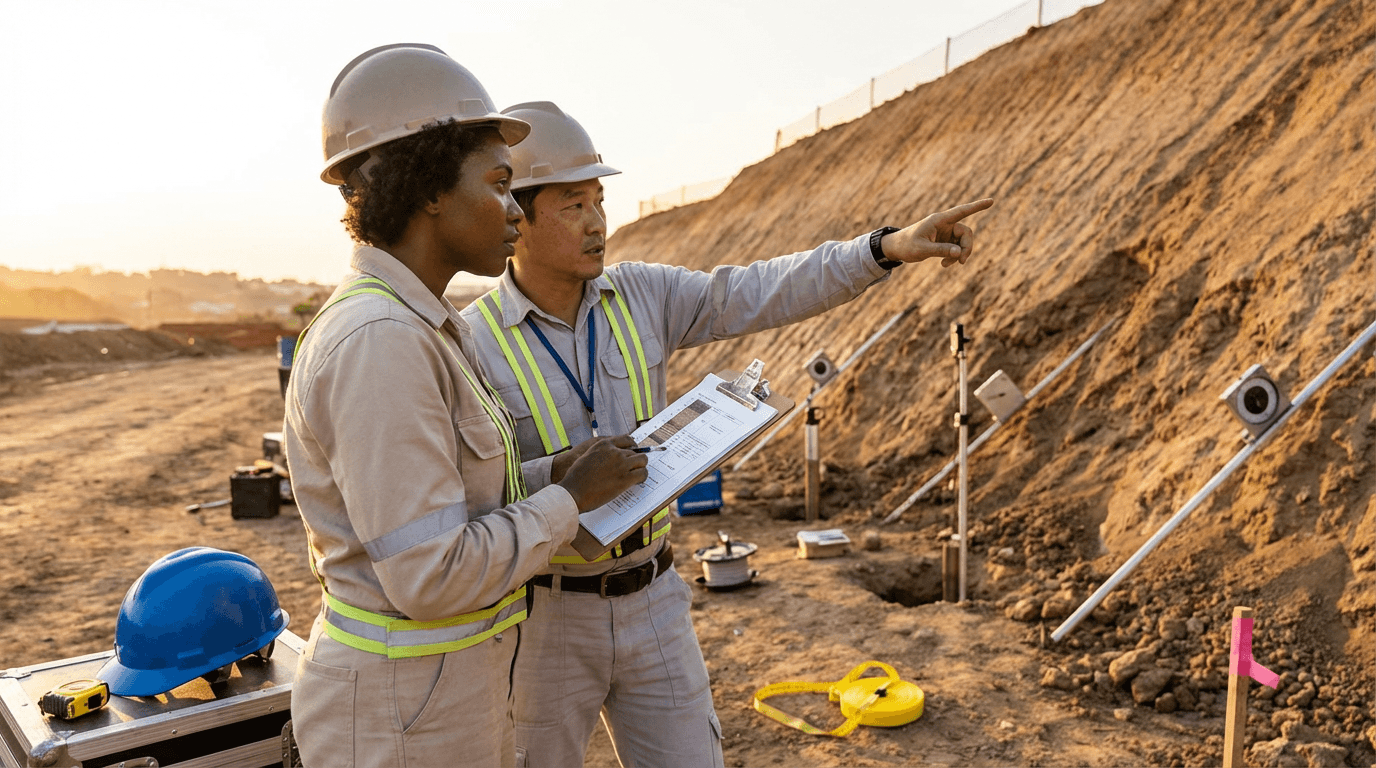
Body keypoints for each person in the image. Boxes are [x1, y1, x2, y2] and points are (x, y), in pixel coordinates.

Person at [460, 100, 992, 767]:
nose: (599, 223)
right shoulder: (473, 342)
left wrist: (884, 249)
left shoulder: (642, 294)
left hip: (654, 595)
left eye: (599, 200)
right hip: (543, 616)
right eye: (573, 206)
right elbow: (469, 493)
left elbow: (758, 290)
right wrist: (559, 478)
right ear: (517, 213)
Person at [284, 49, 647, 768]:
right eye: (500, 184)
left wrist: (546, 476)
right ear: (428, 190)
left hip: (434, 702)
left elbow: (451, 504)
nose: (516, 210)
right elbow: (431, 574)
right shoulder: (381, 342)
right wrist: (570, 501)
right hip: (402, 721)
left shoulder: (423, 324)